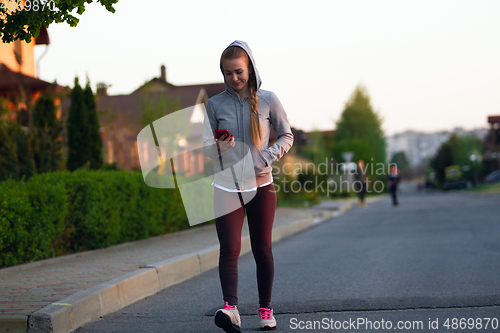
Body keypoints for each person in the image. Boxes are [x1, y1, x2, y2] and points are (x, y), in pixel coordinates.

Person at [203, 40, 293, 332]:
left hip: (261, 185)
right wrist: (217, 147)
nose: (234, 78)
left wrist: (266, 157)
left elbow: (286, 136)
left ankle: (265, 309)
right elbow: (205, 148)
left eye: (239, 71)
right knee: (228, 248)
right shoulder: (215, 104)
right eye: (228, 73)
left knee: (262, 249)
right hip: (227, 186)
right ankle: (231, 310)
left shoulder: (268, 99)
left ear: (250, 68)